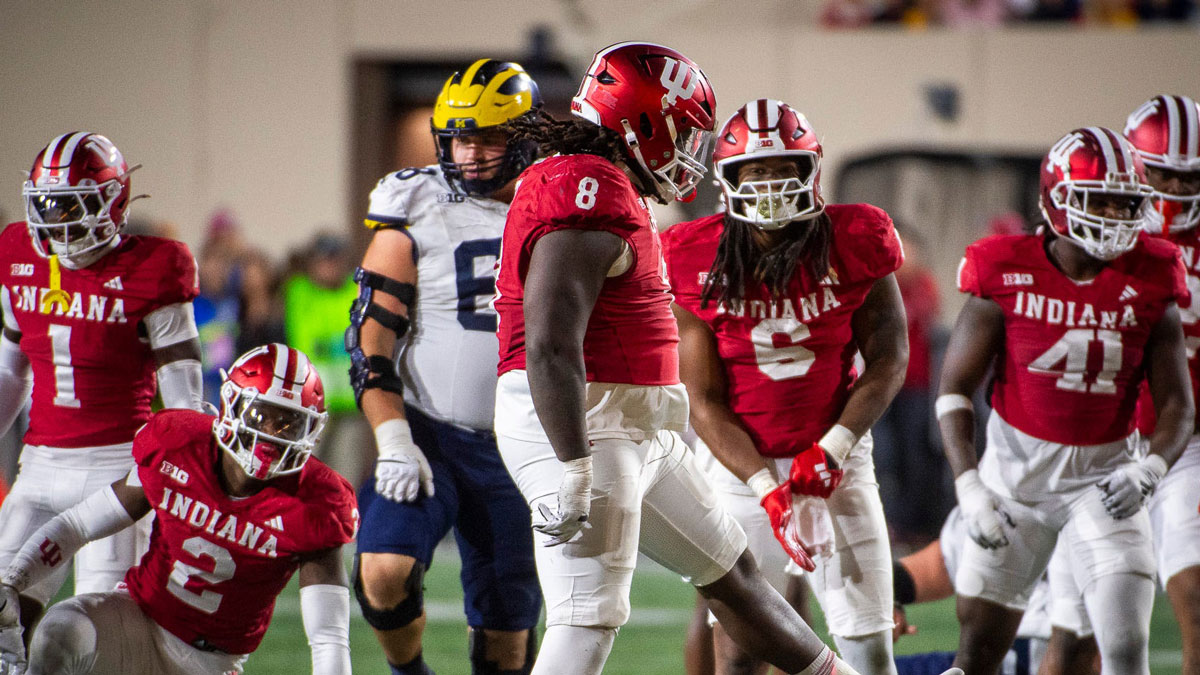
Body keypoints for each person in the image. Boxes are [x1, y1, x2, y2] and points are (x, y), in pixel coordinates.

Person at [496, 42, 959, 675]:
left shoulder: (602, 182)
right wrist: (572, 465)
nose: (689, 149)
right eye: (682, 130)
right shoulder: (586, 189)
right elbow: (550, 344)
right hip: (589, 425)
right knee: (588, 619)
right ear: (644, 123)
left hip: (636, 426)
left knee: (733, 572)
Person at [663, 99, 908, 675]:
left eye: (783, 170)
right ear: (728, 180)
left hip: (837, 456)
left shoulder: (857, 236)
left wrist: (836, 448)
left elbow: (889, 359)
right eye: (756, 172)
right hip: (740, 468)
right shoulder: (694, 255)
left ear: (810, 171)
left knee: (868, 646)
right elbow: (703, 400)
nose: (770, 186)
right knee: (741, 652)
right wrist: (762, 486)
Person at [938, 127, 1194, 674]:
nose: (1113, 213)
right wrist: (969, 487)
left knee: (1125, 650)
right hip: (1014, 483)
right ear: (1057, 199)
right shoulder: (1002, 267)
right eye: (1096, 198)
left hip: (1105, 483)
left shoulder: (1154, 272)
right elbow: (954, 390)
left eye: (1124, 201)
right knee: (976, 656)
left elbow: (1177, 404)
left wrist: (1150, 468)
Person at [347, 59, 543, 675]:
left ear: (526, 136)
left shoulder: (558, 204)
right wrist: (395, 438)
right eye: (461, 136)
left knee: (508, 636)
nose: (472, 152)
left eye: (489, 136)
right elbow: (370, 337)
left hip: (521, 444)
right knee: (382, 570)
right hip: (429, 432)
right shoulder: (415, 203)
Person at [0, 343, 357, 675]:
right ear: (232, 403)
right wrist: (12, 583)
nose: (272, 435)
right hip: (139, 620)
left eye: (288, 423)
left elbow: (328, 637)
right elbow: (78, 525)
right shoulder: (180, 445)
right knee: (62, 629)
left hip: (214, 660)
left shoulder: (316, 502)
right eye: (263, 415)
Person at [0, 132, 204, 635]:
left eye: (72, 207)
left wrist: (183, 483)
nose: (56, 222)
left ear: (113, 201)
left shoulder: (155, 267)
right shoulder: (17, 253)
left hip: (118, 474)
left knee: (96, 631)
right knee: (4, 613)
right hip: (39, 466)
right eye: (47, 206)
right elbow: (10, 370)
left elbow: (185, 401)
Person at [1122, 93, 1200, 675]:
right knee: (1084, 623)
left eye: (1185, 178)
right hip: (1100, 436)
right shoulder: (1102, 230)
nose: (1171, 193)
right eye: (1160, 175)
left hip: (1187, 436)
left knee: (1192, 593)